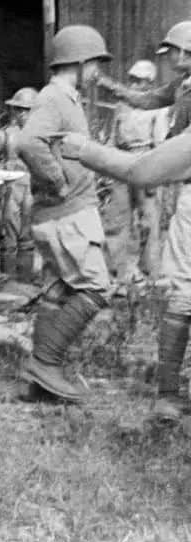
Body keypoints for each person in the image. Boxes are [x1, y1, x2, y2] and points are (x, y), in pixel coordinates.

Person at [57, 21, 191, 420]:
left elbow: (142, 171)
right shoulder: (182, 87)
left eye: (176, 55)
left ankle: (167, 394)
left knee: (184, 291)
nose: (172, 62)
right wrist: (111, 87)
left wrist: (86, 150)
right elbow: (147, 99)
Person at [14, 25, 114, 402]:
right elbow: (27, 141)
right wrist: (58, 181)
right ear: (80, 61)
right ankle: (46, 363)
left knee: (57, 291)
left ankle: (41, 386)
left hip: (65, 213)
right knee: (96, 287)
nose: (96, 73)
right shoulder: (54, 99)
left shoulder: (65, 99)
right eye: (95, 64)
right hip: (66, 214)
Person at [102, 59, 170, 291]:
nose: (137, 85)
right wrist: (107, 164)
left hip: (145, 159)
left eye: (142, 81)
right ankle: (117, 272)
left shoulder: (157, 108)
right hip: (122, 161)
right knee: (117, 218)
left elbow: (160, 142)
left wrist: (156, 174)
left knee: (148, 219)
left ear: (150, 83)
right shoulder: (122, 105)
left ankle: (150, 271)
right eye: (134, 80)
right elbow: (113, 136)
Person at [0, 87, 39, 283]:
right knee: (8, 238)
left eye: (27, 110)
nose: (23, 114)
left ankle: (26, 283)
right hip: (10, 191)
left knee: (28, 239)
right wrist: (3, 168)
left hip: (34, 191)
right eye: (19, 109)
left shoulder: (42, 137)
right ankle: (8, 283)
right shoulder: (5, 136)